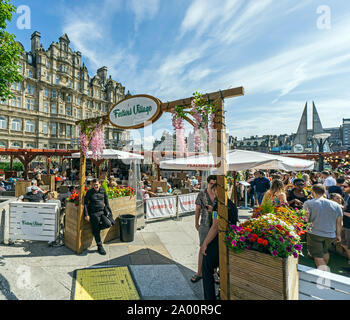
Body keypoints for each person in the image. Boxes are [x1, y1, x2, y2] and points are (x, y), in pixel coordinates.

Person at [201, 183, 238, 300]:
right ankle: (221, 295)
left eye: (214, 190)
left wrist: (205, 243)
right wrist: (213, 210)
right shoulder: (231, 204)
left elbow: (215, 227)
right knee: (224, 271)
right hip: (228, 242)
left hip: (217, 243)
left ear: (219, 191)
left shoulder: (219, 205)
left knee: (206, 270)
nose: (213, 193)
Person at [303, 184, 343, 269]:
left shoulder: (308, 203)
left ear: (313, 192)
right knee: (324, 252)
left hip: (315, 233)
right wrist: (338, 235)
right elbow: (339, 223)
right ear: (324, 192)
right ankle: (322, 271)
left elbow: (305, 219)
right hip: (330, 234)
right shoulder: (336, 205)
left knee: (318, 256)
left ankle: (322, 275)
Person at [191, 175, 217, 283]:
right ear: (207, 183)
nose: (212, 186)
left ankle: (214, 273)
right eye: (211, 183)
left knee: (215, 249)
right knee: (202, 248)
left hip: (215, 226)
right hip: (205, 224)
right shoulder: (202, 194)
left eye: (214, 184)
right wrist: (196, 222)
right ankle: (199, 272)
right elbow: (198, 209)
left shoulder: (218, 194)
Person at [83, 179, 112, 255]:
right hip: (94, 213)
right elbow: (85, 204)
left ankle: (96, 230)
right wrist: (86, 214)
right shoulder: (89, 192)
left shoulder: (103, 190)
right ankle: (100, 246)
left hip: (102, 212)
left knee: (108, 224)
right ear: (92, 185)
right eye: (94, 184)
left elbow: (106, 201)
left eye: (97, 184)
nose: (96, 186)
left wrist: (108, 211)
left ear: (100, 184)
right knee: (96, 230)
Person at [340, 180, 350, 273]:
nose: (343, 188)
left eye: (345, 186)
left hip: (349, 227)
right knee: (344, 244)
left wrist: (342, 212)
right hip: (345, 225)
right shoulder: (347, 197)